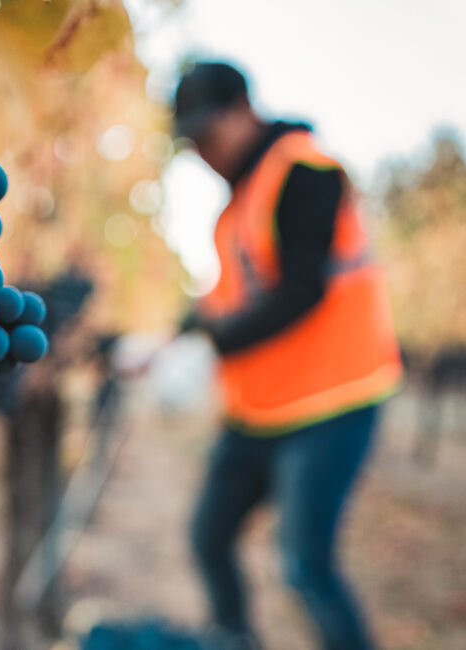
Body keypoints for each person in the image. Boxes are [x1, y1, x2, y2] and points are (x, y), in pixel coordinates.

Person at [171, 62, 403, 650]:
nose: (202, 152)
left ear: (244, 109)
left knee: (305, 566)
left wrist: (211, 345)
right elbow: (226, 300)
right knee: (208, 537)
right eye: (191, 142)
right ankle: (234, 639)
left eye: (208, 134)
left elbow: (303, 289)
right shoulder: (236, 203)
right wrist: (176, 337)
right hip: (261, 409)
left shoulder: (304, 169)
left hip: (332, 403)